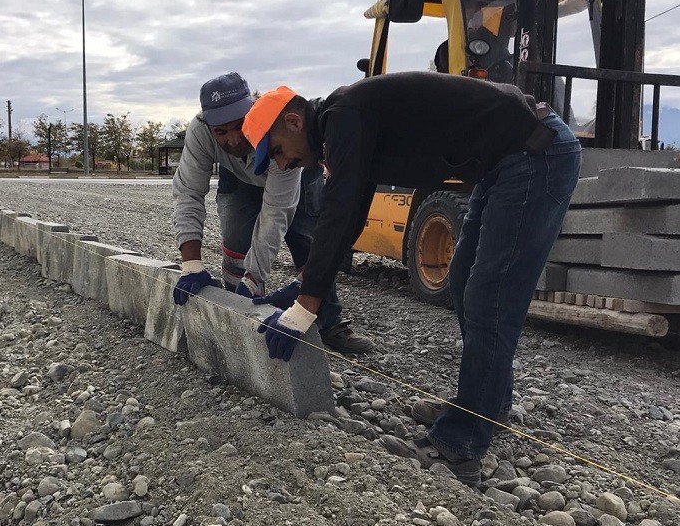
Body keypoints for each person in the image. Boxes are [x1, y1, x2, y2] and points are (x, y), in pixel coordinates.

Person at [241, 71, 580, 484]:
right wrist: (306, 288)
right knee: (462, 281)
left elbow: (341, 207)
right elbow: (350, 215)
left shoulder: (345, 114)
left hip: (536, 153)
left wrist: (305, 308)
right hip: (506, 160)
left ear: (293, 122)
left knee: (490, 296)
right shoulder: (344, 122)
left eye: (276, 150)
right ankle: (485, 404)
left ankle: (463, 443)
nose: (282, 163)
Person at [170, 72, 373, 355]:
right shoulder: (201, 130)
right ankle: (239, 310)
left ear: (252, 111)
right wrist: (191, 265)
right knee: (236, 238)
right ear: (209, 126)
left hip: (294, 169)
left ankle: (327, 320)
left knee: (309, 241)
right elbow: (188, 192)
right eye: (221, 132)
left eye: (239, 126)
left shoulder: (278, 130)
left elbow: (276, 212)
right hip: (238, 177)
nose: (233, 140)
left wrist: (255, 275)